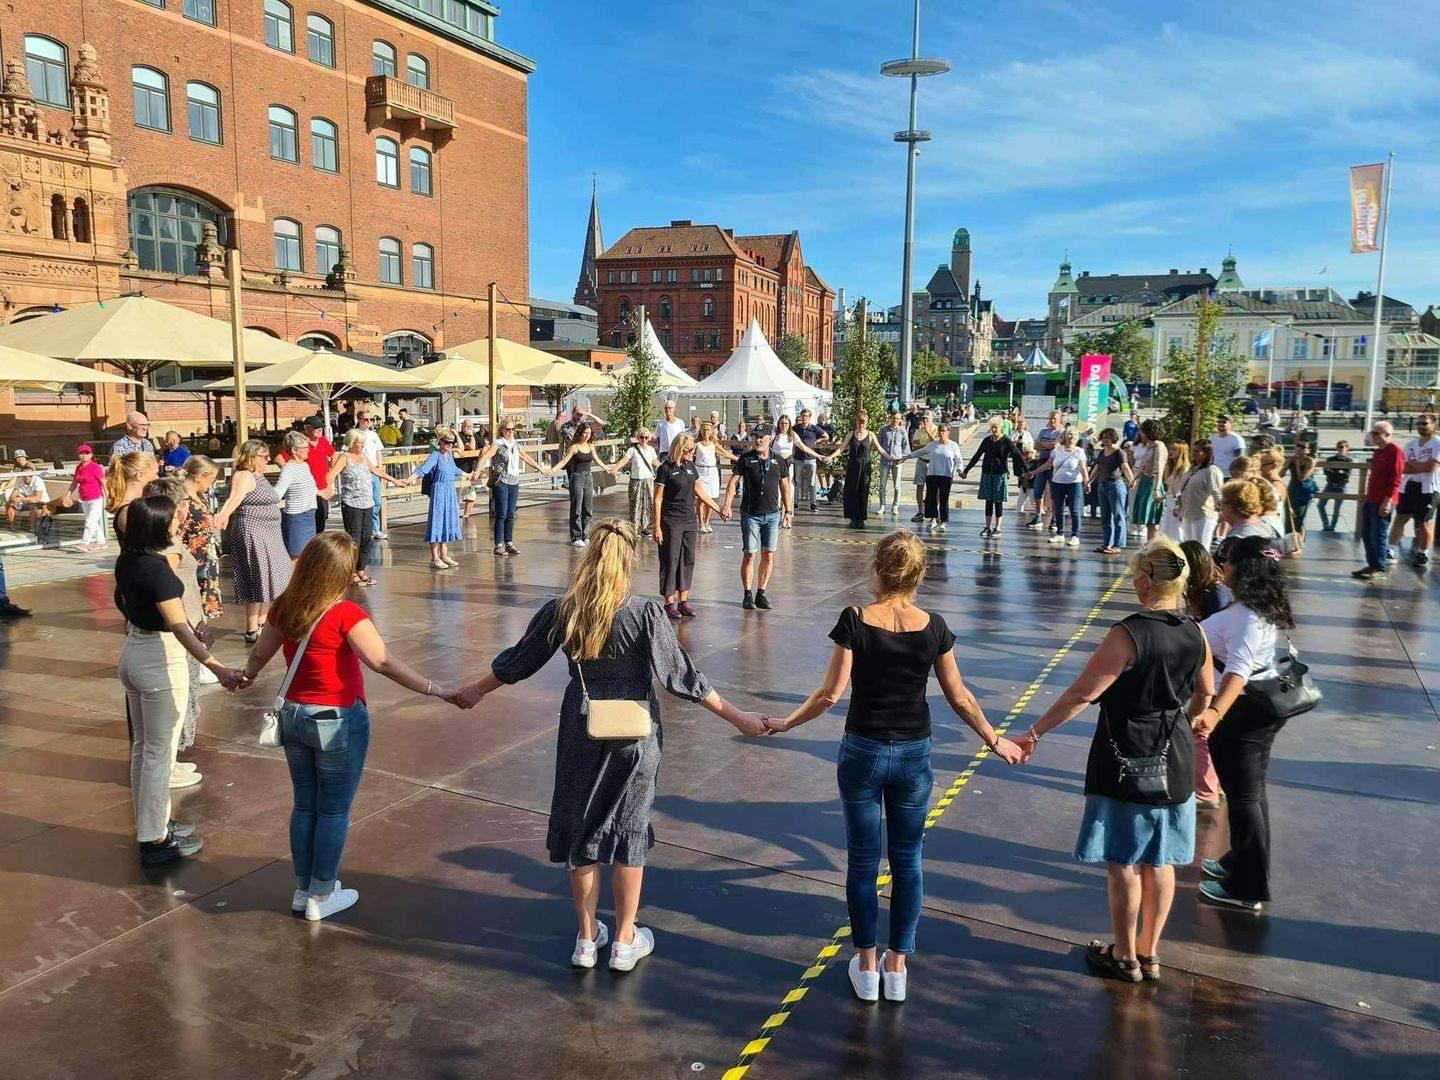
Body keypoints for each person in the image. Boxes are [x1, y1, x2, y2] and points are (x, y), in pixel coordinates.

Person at [450, 520, 769, 970]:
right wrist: (740, 717)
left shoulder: (564, 610)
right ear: (628, 562)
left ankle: (585, 939)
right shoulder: (644, 613)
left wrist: (475, 691)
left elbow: (517, 664)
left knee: (580, 828)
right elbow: (682, 679)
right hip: (636, 733)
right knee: (629, 830)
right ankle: (623, 940)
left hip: (582, 727)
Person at [767, 531, 1022, 1001]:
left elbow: (829, 694)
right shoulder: (934, 626)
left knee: (863, 859)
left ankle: (866, 966)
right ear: (919, 574)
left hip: (862, 751)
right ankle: (897, 967)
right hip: (913, 756)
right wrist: (994, 739)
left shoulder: (855, 620)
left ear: (878, 571)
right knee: (908, 860)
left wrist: (785, 722)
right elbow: (960, 697)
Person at [1014, 540, 1212, 982]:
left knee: (1123, 857)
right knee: (1158, 861)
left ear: (1143, 580)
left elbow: (1084, 693)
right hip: (1173, 750)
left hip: (1126, 751)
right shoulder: (1195, 631)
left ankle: (1123, 954)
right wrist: (1188, 719)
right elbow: (1205, 693)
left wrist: (1034, 732)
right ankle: (1150, 953)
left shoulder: (1128, 633)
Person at [239, 532, 451, 920]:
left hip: (294, 715)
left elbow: (259, 653)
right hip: (336, 718)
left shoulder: (284, 607)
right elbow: (382, 662)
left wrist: (244, 677)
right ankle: (323, 894)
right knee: (333, 811)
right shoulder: (345, 614)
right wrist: (435, 689)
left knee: (305, 805)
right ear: (343, 572)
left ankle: (303, 889)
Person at [114, 495, 244, 865]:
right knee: (158, 754)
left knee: (144, 750)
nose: (178, 524)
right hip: (159, 658)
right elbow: (179, 626)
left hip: (134, 652)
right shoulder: (158, 572)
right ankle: (154, 841)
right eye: (173, 519)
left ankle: (152, 825)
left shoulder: (129, 559)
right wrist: (216, 666)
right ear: (159, 526)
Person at [1193, 536, 1296, 911]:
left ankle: (1248, 887)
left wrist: (1213, 713)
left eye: (1229, 561)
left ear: (1243, 568)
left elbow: (1237, 670)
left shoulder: (1248, 615)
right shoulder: (1255, 606)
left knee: (1245, 799)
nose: (1224, 566)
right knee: (1249, 794)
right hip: (1250, 709)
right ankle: (1238, 860)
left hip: (1243, 713)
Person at [215, 439, 294, 643]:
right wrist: (223, 515)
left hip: (271, 533)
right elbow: (234, 498)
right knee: (257, 577)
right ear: (251, 457)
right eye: (264, 456)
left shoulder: (260, 475)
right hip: (253, 531)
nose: (268, 459)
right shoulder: (244, 475)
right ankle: (252, 628)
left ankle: (262, 623)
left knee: (272, 576)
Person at [1180, 539, 1230, 812]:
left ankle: (1206, 791)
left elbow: (1217, 638)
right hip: (1214, 670)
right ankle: (1215, 786)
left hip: (1219, 673)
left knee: (1200, 729)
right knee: (1211, 733)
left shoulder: (1216, 595)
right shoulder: (1208, 591)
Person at [723, 426, 793, 610]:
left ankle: (761, 593)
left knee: (768, 554)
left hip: (772, 515)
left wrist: (789, 512)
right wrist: (728, 505)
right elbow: (732, 482)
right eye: (756, 437)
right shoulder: (746, 459)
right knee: (749, 554)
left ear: (770, 439)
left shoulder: (779, 461)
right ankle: (747, 594)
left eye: (762, 437)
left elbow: (785, 487)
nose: (759, 440)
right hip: (750, 515)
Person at [653, 433, 722, 618]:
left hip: (690, 520)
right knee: (670, 560)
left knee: (687, 559)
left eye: (693, 449)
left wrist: (718, 508)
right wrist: (657, 526)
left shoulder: (691, 466)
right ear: (679, 448)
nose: (692, 452)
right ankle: (669, 603)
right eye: (689, 449)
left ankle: (683, 601)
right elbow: (658, 499)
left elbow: (699, 490)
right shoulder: (665, 469)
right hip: (671, 521)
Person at [327, 429, 403, 587]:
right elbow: (331, 474)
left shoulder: (363, 457)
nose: (361, 445)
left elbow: (375, 469)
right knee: (354, 539)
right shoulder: (344, 458)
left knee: (366, 538)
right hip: (352, 503)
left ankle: (361, 570)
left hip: (367, 502)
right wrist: (330, 487)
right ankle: (351, 573)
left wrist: (394, 480)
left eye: (363, 443)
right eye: (358, 442)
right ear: (351, 442)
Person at [474, 420, 543, 557]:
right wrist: (477, 470)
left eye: (512, 429)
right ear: (502, 430)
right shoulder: (498, 444)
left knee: (511, 514)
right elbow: (484, 457)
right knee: (502, 514)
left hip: (514, 481)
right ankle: (498, 545)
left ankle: (509, 542)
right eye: (507, 429)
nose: (510, 431)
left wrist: (540, 468)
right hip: (502, 481)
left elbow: (526, 457)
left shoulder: (516, 445)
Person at [1353, 421, 1403, 580]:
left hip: (1383, 500)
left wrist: (1387, 501)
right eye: (1372, 433)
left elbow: (1396, 478)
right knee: (1366, 533)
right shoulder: (1378, 452)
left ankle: (1379, 567)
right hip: (1371, 499)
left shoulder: (1395, 451)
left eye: (1376, 433)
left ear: (1387, 435)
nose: (1372, 436)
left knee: (1378, 534)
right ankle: (1372, 564)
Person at [1390, 413, 1440, 567]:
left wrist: (1414, 466)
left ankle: (1423, 553)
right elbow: (1402, 468)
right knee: (1400, 517)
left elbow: (1431, 467)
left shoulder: (1437, 443)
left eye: (1424, 423)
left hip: (1428, 488)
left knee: (1423, 521)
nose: (1421, 426)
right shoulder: (1410, 444)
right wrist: (1417, 467)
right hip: (1408, 486)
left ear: (1434, 425)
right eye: (1418, 423)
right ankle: (1390, 549)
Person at [178, 456, 224, 622]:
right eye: (211, 478)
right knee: (191, 603)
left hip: (206, 556)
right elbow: (177, 533)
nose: (211, 483)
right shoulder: (183, 500)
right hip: (193, 558)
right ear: (198, 476)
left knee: (203, 605)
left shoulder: (199, 497)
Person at [953, 419, 1015, 537]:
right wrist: (966, 471)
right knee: (988, 501)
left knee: (998, 501)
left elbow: (1016, 454)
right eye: (992, 427)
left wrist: (1025, 471)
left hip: (1000, 474)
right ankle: (987, 527)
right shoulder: (987, 440)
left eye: (996, 427)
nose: (994, 430)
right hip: (987, 473)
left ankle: (998, 527)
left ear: (1000, 427)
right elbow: (977, 455)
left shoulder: (1006, 440)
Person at [413, 428, 464, 570]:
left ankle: (444, 555)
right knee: (437, 521)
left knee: (446, 521)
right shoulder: (435, 455)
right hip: (439, 490)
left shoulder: (449, 455)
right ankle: (434, 558)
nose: (450, 445)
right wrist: (410, 478)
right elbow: (423, 469)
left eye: (451, 443)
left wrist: (469, 474)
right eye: (447, 442)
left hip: (449, 490)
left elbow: (455, 470)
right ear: (440, 442)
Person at [1029, 428, 1089, 548]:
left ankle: (1075, 536)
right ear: (1065, 436)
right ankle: (1060, 533)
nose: (1072, 437)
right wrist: (1034, 472)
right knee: (1058, 509)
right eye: (1070, 434)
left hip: (1074, 484)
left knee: (1074, 509)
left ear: (1077, 437)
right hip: (1057, 483)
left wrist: (1087, 481)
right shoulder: (1057, 450)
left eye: (1074, 434)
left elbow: (1083, 468)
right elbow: (1047, 465)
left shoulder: (1079, 451)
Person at [549, 424, 602, 547]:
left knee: (588, 508)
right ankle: (576, 537)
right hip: (577, 477)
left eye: (589, 433)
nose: (586, 436)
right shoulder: (574, 447)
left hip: (588, 477)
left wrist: (608, 469)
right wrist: (552, 471)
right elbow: (564, 461)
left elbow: (597, 459)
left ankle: (586, 535)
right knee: (577, 508)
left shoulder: (590, 446)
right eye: (585, 433)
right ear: (580, 433)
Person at [835, 411, 889, 529]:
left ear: (867, 423)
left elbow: (880, 449)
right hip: (853, 466)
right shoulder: (851, 434)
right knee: (852, 492)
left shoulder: (870, 435)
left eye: (863, 422)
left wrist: (891, 458)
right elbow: (841, 448)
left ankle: (861, 519)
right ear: (856, 422)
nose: (861, 425)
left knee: (863, 492)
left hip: (865, 467)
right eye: (859, 422)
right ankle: (854, 518)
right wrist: (830, 456)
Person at [274, 431, 319, 560]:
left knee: (308, 557)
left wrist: (322, 491)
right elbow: (278, 493)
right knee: (297, 559)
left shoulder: (304, 466)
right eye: (305, 448)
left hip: (309, 516)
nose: (308, 450)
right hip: (296, 519)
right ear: (294, 450)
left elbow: (311, 488)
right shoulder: (289, 469)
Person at [1090, 427, 1134, 554]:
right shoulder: (1101, 453)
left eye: (1108, 437)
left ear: (1113, 438)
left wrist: (1132, 480)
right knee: (1105, 517)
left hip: (1115, 486)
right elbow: (1096, 468)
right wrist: (1089, 481)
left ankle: (1118, 545)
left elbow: (1125, 467)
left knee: (1119, 515)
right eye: (1103, 437)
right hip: (1102, 486)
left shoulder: (1119, 452)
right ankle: (1107, 543)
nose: (1105, 439)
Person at [609, 427, 660, 534]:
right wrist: (616, 468)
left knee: (647, 502)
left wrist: (664, 469)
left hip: (648, 479)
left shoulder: (651, 450)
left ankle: (644, 527)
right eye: (642, 437)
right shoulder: (632, 450)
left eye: (646, 437)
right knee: (635, 503)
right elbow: (625, 460)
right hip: (636, 479)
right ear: (638, 438)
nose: (644, 439)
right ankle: (634, 526)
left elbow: (655, 462)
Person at [1176, 439, 1224, 548]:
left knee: (1200, 548)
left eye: (1197, 451)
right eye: (1193, 451)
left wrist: (1221, 511)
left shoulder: (1211, 470)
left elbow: (1217, 493)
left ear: (1207, 454)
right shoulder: (1192, 469)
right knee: (1189, 548)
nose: (1193, 454)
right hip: (1187, 513)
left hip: (1203, 515)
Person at [693, 421, 738, 534]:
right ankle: (700, 522)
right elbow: (689, 453)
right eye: (703, 429)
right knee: (701, 499)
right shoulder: (697, 443)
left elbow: (725, 453)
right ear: (701, 431)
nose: (706, 432)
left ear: (711, 431)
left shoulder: (714, 443)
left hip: (712, 471)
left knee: (711, 498)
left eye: (708, 430)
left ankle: (707, 522)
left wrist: (739, 459)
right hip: (700, 471)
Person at [350, 408, 388, 540]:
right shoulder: (354, 434)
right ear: (359, 420)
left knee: (376, 500)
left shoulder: (374, 435)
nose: (369, 422)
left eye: (371, 419)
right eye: (366, 419)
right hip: (361, 470)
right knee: (363, 501)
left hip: (374, 470)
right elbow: (346, 450)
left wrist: (381, 470)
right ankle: (365, 529)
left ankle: (374, 528)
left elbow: (378, 452)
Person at [106, 450, 160, 541]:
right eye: (155, 473)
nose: (157, 478)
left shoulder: (135, 504)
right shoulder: (128, 511)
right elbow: (147, 545)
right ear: (140, 475)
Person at [1130, 419, 1168, 541]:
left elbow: (1159, 468)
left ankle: (1153, 546)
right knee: (1147, 520)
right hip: (1145, 481)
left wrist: (1157, 489)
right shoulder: (1151, 446)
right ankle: (1149, 545)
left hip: (1152, 483)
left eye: (1142, 430)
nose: (1140, 433)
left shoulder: (1159, 447)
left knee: (1152, 519)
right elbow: (1143, 465)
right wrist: (1134, 479)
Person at [1029, 410, 1066, 530]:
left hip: (1055, 466)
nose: (1052, 421)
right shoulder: (1043, 431)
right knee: (1038, 491)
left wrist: (1043, 444)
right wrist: (1047, 445)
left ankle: (1054, 518)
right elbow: (1035, 446)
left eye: (1055, 419)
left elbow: (1056, 446)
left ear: (1060, 419)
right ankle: (1038, 516)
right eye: (1050, 418)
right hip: (1041, 463)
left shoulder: (1062, 432)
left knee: (1055, 493)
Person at [68, 444, 107, 551]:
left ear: (91, 455)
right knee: (92, 522)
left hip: (96, 498)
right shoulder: (78, 468)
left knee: (90, 521)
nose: (84, 455)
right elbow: (74, 483)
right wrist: (68, 495)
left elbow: (103, 482)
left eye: (86, 453)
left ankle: (85, 543)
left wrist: (108, 496)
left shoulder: (95, 467)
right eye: (81, 453)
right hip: (84, 498)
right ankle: (101, 542)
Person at [876, 411, 911, 518]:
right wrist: (884, 454)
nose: (896, 420)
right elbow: (879, 445)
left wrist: (903, 458)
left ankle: (895, 506)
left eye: (898, 418)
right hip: (885, 461)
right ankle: (882, 505)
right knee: (882, 484)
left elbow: (906, 446)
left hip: (897, 461)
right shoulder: (883, 430)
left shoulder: (902, 431)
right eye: (894, 418)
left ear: (900, 419)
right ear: (890, 418)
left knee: (897, 485)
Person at [1283, 440, 1319, 543]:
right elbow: (1280, 474)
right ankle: (1289, 542)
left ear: (1309, 450)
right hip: (1292, 490)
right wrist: (1286, 464)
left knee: (1299, 519)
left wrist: (1297, 464)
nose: (1299, 448)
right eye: (1298, 445)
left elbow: (1302, 478)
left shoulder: (1310, 461)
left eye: (1303, 447)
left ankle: (1299, 543)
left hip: (1303, 491)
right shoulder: (1292, 460)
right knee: (1289, 518)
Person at [792, 408, 827, 513]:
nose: (804, 418)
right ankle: (795, 502)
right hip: (798, 458)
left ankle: (813, 503)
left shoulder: (814, 428)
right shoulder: (795, 428)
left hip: (811, 459)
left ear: (809, 417)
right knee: (796, 481)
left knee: (811, 482)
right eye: (803, 415)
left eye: (806, 416)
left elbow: (826, 436)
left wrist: (816, 441)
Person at [3, 451, 47, 532]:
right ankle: (12, 527)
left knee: (32, 507)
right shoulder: (20, 478)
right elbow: (12, 494)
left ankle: (33, 530)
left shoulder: (37, 479)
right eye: (17, 458)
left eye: (20, 457)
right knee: (9, 504)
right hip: (27, 500)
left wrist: (21, 499)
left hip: (41, 502)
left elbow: (37, 498)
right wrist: (14, 499)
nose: (27, 477)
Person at [907, 411, 938, 524]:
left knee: (934, 489)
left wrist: (928, 433)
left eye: (927, 419)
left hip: (933, 462)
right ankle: (921, 512)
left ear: (932, 419)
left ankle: (934, 512)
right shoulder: (918, 431)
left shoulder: (937, 429)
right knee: (919, 486)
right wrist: (928, 446)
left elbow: (937, 443)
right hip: (921, 461)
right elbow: (915, 448)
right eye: (923, 419)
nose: (924, 421)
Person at [1316, 440, 1352, 532]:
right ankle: (1326, 524)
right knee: (1320, 505)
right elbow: (1326, 471)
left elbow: (1346, 474)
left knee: (1337, 509)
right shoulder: (1330, 459)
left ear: (1347, 448)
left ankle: (1332, 526)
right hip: (1330, 485)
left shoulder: (1349, 461)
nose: (1341, 448)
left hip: (1341, 486)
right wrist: (1338, 472)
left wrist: (1334, 471)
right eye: (1339, 446)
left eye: (1343, 446)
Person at [1161, 440, 1190, 543]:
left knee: (1177, 533)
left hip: (1177, 503)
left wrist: (1178, 506)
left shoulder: (1185, 469)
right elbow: (1171, 488)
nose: (1170, 451)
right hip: (1169, 502)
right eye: (1170, 449)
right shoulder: (1171, 467)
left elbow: (1182, 490)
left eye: (1174, 449)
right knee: (1167, 532)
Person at [1255, 449, 1288, 540]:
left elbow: (1269, 508)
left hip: (1270, 529)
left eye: (1262, 465)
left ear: (1274, 465)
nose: (1258, 468)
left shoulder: (1276, 485)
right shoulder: (1266, 482)